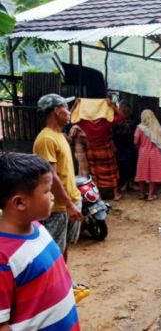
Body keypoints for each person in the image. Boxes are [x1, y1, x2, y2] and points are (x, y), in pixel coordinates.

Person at [0, 153, 81, 330]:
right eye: (47, 191)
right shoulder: (3, 257)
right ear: (20, 202)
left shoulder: (38, 228)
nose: (53, 196)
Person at [33, 94, 90, 303]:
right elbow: (51, 176)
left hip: (70, 201)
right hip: (58, 206)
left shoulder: (60, 136)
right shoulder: (46, 138)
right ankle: (52, 291)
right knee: (53, 251)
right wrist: (67, 204)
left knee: (63, 247)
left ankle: (63, 282)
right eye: (67, 108)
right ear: (56, 110)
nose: (69, 113)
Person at [74, 98, 124, 200]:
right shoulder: (105, 122)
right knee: (112, 172)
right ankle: (116, 194)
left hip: (92, 150)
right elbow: (121, 116)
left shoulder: (84, 123)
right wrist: (112, 106)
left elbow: (71, 118)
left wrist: (75, 105)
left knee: (95, 174)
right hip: (105, 149)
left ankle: (99, 195)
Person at [134, 110, 161, 201]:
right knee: (153, 175)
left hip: (143, 153)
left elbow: (135, 141)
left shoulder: (139, 128)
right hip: (155, 153)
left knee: (141, 173)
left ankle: (141, 194)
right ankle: (150, 195)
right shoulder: (156, 128)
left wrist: (140, 146)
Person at [113, 100, 138, 192]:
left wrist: (137, 143)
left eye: (125, 107)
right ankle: (124, 183)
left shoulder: (134, 119)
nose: (123, 109)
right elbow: (112, 132)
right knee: (121, 164)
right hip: (120, 144)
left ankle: (131, 183)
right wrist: (113, 145)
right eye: (121, 107)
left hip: (131, 144)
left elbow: (137, 131)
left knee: (132, 164)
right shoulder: (115, 118)